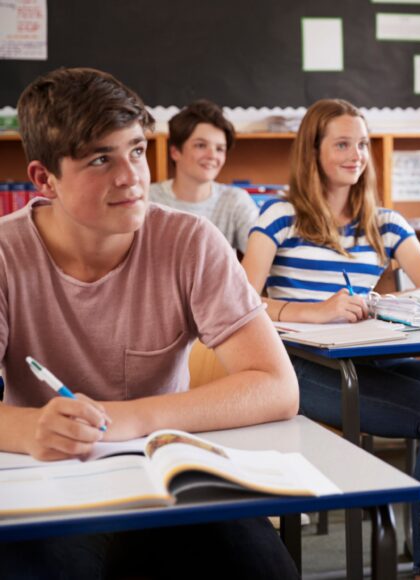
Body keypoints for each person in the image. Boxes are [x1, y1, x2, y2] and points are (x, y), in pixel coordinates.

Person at [0, 68, 299, 577]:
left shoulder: (191, 241)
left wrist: (130, 418)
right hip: (50, 481)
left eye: (136, 150)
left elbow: (277, 386)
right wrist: (29, 427)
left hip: (166, 474)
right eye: (100, 158)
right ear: (44, 178)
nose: (131, 177)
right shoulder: (6, 254)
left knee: (265, 569)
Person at [241, 98, 420, 580]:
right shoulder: (279, 215)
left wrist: (386, 304)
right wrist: (314, 312)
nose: (356, 154)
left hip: (370, 361)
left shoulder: (384, 222)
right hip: (300, 367)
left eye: (362, 143)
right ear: (313, 152)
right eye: (342, 143)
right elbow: (241, 301)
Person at [149, 99, 257, 253]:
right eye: (201, 145)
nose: (212, 155)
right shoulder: (147, 199)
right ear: (175, 152)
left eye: (220, 149)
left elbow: (262, 256)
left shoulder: (235, 200)